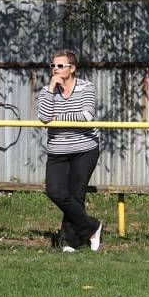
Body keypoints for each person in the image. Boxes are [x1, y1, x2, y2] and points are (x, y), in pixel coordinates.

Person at [37, 49, 103, 253]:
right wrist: (50, 89)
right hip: (58, 149)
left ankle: (69, 241)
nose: (55, 69)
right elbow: (44, 116)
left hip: (85, 148)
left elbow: (87, 116)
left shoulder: (86, 87)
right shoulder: (46, 91)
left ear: (72, 68)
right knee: (55, 191)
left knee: (75, 195)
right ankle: (92, 227)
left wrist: (59, 118)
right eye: (53, 65)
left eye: (60, 65)